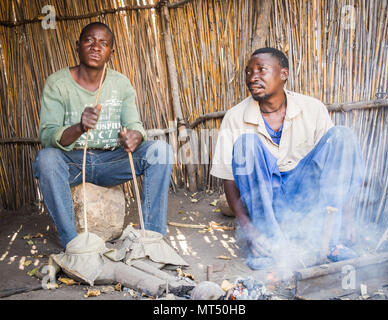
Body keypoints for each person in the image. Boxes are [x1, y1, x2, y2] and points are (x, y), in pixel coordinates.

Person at [210, 47, 364, 270]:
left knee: (342, 136)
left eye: (261, 70)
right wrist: (249, 231)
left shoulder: (312, 108)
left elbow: (338, 167)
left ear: (284, 74)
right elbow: (229, 181)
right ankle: (268, 243)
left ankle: (330, 240)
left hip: (305, 200)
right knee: (247, 144)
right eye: (248, 72)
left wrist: (348, 219)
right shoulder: (235, 117)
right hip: (266, 200)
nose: (252, 77)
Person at [33, 22, 173, 248]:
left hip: (113, 161)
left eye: (103, 43)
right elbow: (48, 136)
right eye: (89, 40)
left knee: (161, 151)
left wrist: (135, 136)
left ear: (111, 52)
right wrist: (79, 127)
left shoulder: (121, 83)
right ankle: (73, 245)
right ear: (77, 46)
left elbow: (134, 124)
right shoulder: (57, 84)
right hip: (73, 163)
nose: (95, 47)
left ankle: (153, 240)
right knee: (46, 159)